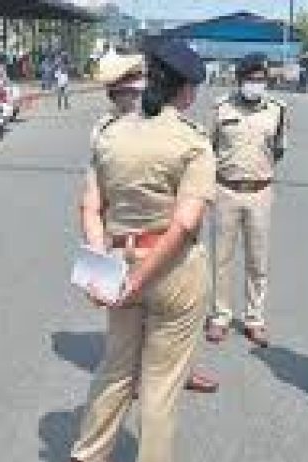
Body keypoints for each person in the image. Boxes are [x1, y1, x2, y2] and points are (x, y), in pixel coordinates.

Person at [63, 39, 213, 462]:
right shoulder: (191, 141)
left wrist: (102, 270)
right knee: (162, 380)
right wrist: (144, 275)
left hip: (120, 261)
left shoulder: (110, 134)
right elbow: (185, 222)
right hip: (170, 269)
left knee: (115, 366)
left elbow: (90, 207)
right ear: (185, 91)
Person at [92, 52, 218, 395]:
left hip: (159, 243)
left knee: (167, 325)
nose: (135, 99)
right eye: (126, 93)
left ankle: (177, 370)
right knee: (130, 338)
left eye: (138, 91)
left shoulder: (167, 130)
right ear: (115, 94)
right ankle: (135, 375)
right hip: (131, 242)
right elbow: (92, 207)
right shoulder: (107, 132)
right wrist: (99, 268)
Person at [207, 52, 288, 347]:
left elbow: (278, 149)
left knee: (258, 260)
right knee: (222, 258)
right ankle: (220, 316)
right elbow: (209, 147)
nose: (256, 84)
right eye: (251, 79)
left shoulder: (278, 111)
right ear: (239, 80)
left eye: (261, 79)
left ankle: (255, 318)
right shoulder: (221, 108)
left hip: (260, 192)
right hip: (225, 190)